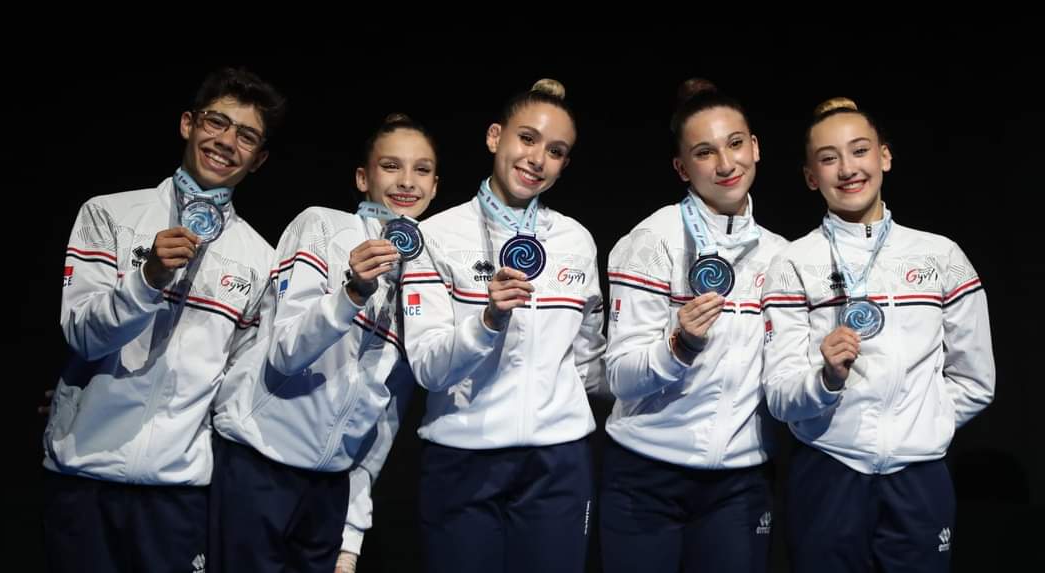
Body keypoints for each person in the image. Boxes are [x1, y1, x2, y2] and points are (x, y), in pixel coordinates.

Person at [43, 66, 285, 573]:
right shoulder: (107, 215)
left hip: (178, 493)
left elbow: (236, 388)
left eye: (246, 136)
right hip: (85, 475)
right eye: (216, 123)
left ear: (259, 159)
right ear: (188, 124)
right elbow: (82, 335)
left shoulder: (260, 260)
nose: (225, 142)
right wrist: (147, 278)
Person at [761, 96, 996, 572]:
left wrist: (923, 427)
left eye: (860, 151)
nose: (847, 169)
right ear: (811, 177)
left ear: (884, 156)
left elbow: (976, 379)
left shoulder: (940, 256)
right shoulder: (791, 263)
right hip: (828, 472)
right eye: (828, 159)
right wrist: (825, 379)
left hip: (920, 479)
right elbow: (780, 397)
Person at [210, 113, 438, 572]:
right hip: (260, 467)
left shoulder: (427, 276)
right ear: (362, 177)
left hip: (330, 490)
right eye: (391, 166)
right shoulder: (321, 227)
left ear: (435, 187)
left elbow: (386, 414)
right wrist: (352, 293)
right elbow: (286, 351)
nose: (407, 182)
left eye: (422, 170)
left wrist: (352, 534)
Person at [401, 78, 606, 573]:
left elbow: (588, 362)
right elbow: (427, 367)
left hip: (558, 465)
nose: (537, 159)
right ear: (496, 137)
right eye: (527, 139)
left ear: (565, 164)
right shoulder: (437, 235)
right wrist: (488, 321)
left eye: (555, 151)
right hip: (462, 460)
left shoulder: (577, 240)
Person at [600, 78, 786, 573]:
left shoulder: (784, 256)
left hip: (740, 482)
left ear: (756, 147)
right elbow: (617, 376)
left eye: (735, 144)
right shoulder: (651, 239)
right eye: (705, 152)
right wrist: (678, 345)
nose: (726, 165)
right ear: (683, 167)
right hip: (646, 475)